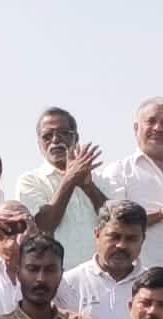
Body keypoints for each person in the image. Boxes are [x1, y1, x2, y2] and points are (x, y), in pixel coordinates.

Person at [61, 200, 163, 319]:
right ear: (97, 235)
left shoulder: (159, 285)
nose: (121, 245)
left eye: (131, 239)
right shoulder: (68, 283)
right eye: (114, 237)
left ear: (142, 240)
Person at [101, 98, 163, 284]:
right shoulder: (119, 172)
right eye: (151, 121)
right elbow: (116, 224)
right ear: (136, 128)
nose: (158, 128)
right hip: (138, 284)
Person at [15, 107, 107, 268]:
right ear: (39, 143)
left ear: (76, 138)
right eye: (47, 136)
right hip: (55, 275)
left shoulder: (100, 178)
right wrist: (70, 179)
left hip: (97, 275)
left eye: (63, 133)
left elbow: (115, 221)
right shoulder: (30, 180)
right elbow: (44, 225)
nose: (56, 140)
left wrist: (88, 187)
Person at [0, 200, 36, 316]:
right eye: (5, 224)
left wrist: (35, 244)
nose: (12, 230)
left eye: (19, 224)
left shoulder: (44, 273)